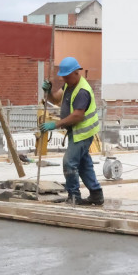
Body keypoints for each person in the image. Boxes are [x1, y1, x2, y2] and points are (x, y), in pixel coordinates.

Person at [40, 57, 104, 205]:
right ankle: (96, 194)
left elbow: (78, 115)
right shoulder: (69, 85)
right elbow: (56, 99)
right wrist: (48, 92)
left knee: (69, 162)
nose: (65, 79)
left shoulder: (82, 91)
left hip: (82, 133)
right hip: (76, 132)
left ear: (76, 72)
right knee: (83, 164)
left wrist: (55, 125)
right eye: (63, 77)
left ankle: (73, 196)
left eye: (67, 76)